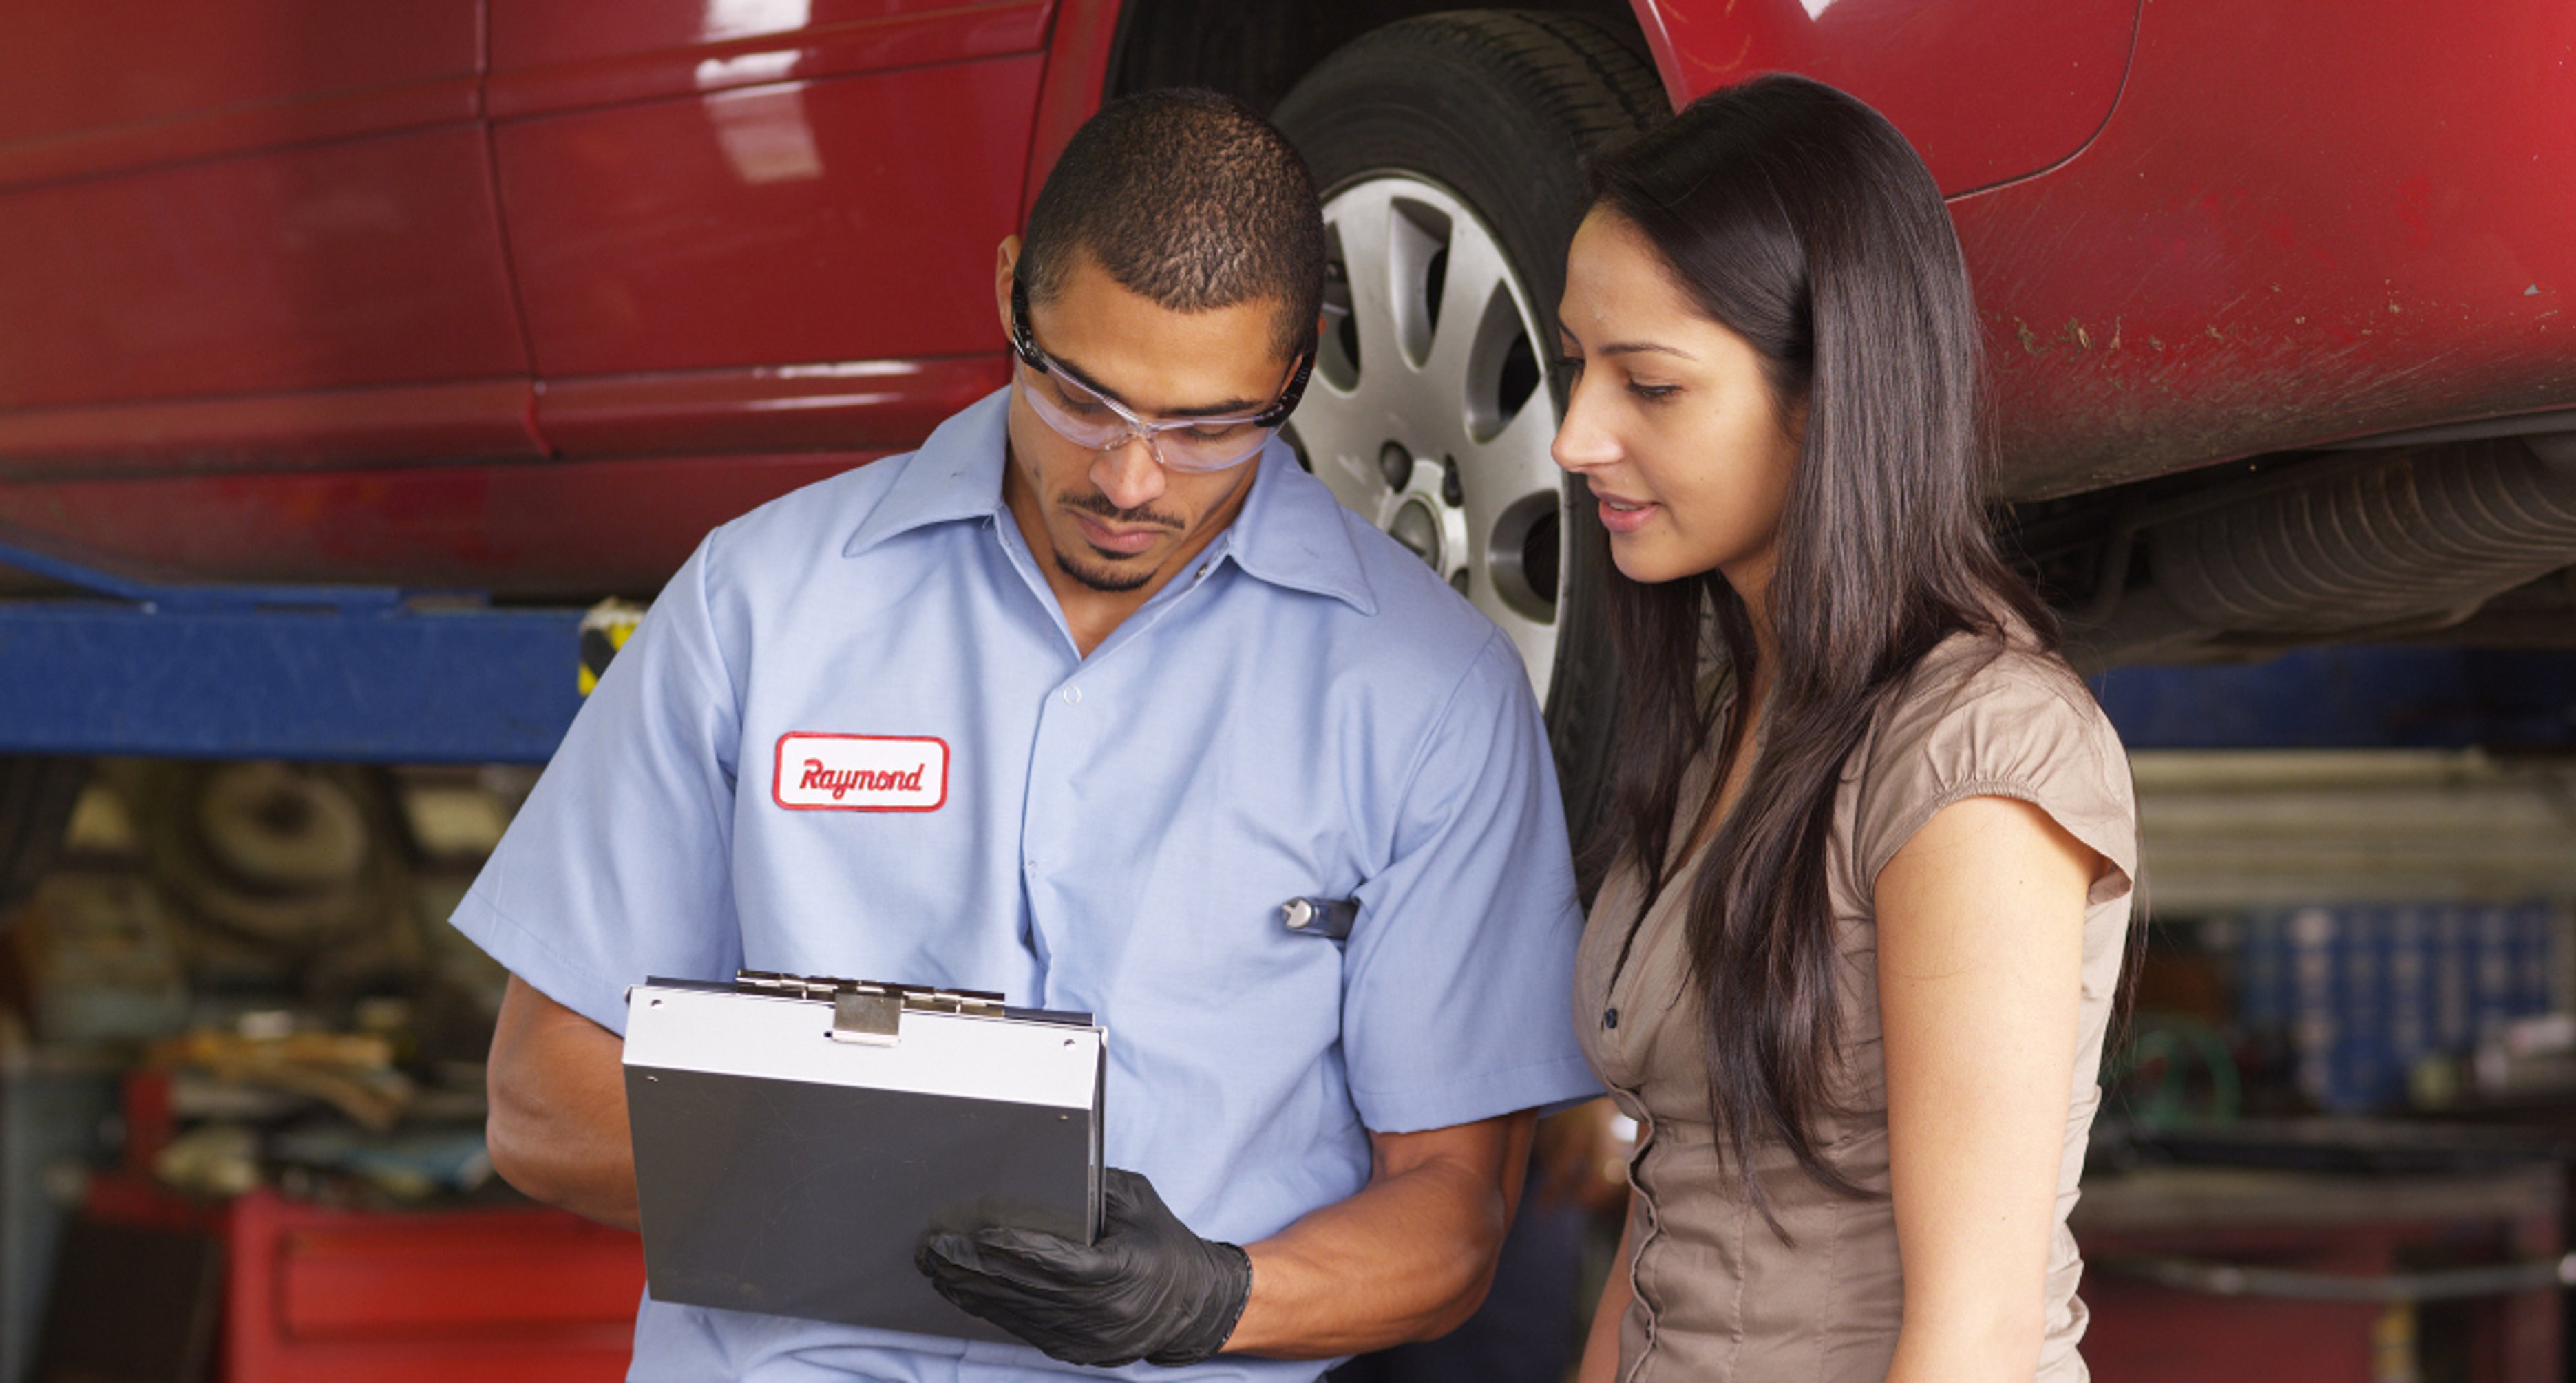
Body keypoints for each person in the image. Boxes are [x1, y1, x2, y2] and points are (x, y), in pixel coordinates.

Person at [464, 89, 1603, 1382]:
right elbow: (539, 1102)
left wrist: (1216, 1297)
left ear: (1303, 364)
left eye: (1209, 427)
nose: (1130, 479)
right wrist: (915, 1193)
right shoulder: (760, 605)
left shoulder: (1431, 692)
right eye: (1083, 397)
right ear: (1012, 292)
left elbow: (1454, 1216)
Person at [1550, 76, 2141, 1382]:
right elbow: (1672, 1221)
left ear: (1828, 395)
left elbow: (1972, 1338)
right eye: (1578, 364)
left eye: (1648, 384)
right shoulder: (1739, 719)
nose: (1574, 434)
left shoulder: (1977, 752)